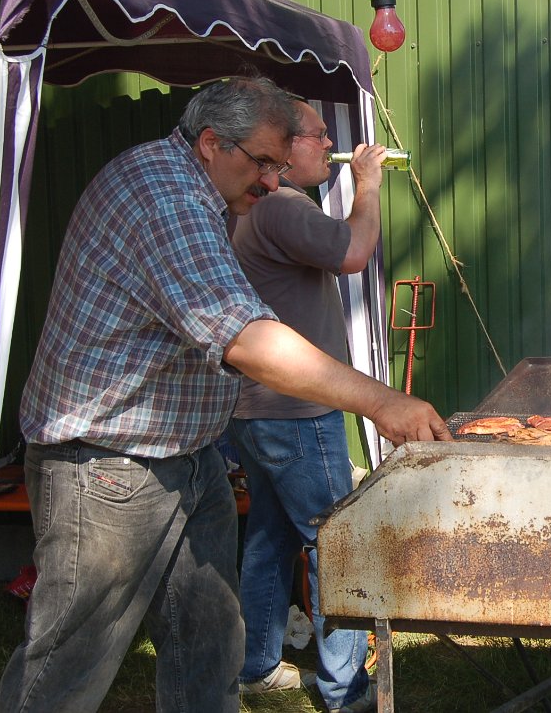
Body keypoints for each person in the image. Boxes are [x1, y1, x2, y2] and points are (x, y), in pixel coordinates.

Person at [0, 76, 450, 713]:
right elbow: (245, 337)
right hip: (105, 464)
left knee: (208, 641)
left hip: (187, 455)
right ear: (212, 143)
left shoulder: (202, 192)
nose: (271, 180)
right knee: (72, 661)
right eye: (263, 162)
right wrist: (381, 401)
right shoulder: (165, 195)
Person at [226, 96, 384, 712]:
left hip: (257, 408)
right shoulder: (285, 207)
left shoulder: (258, 207)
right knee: (334, 541)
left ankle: (258, 665)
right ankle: (346, 690)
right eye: (316, 137)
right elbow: (354, 253)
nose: (327, 146)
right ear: (283, 149)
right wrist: (365, 186)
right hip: (296, 412)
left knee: (269, 537)